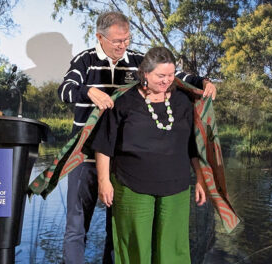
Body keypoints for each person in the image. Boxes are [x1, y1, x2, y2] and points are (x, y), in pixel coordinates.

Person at [57, 11, 216, 264]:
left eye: (127, 39)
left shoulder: (136, 61)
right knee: (77, 226)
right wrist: (88, 92)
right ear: (100, 37)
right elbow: (64, 90)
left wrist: (202, 81)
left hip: (117, 162)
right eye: (117, 41)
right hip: (84, 158)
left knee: (117, 229)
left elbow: (172, 74)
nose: (123, 46)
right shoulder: (85, 61)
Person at [91, 47, 206, 263]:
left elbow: (193, 146)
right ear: (145, 73)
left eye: (170, 75)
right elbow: (104, 145)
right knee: (134, 249)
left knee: (174, 251)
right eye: (160, 76)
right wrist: (103, 181)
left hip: (176, 187)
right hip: (131, 186)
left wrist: (200, 178)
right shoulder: (124, 101)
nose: (166, 81)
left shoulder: (183, 102)